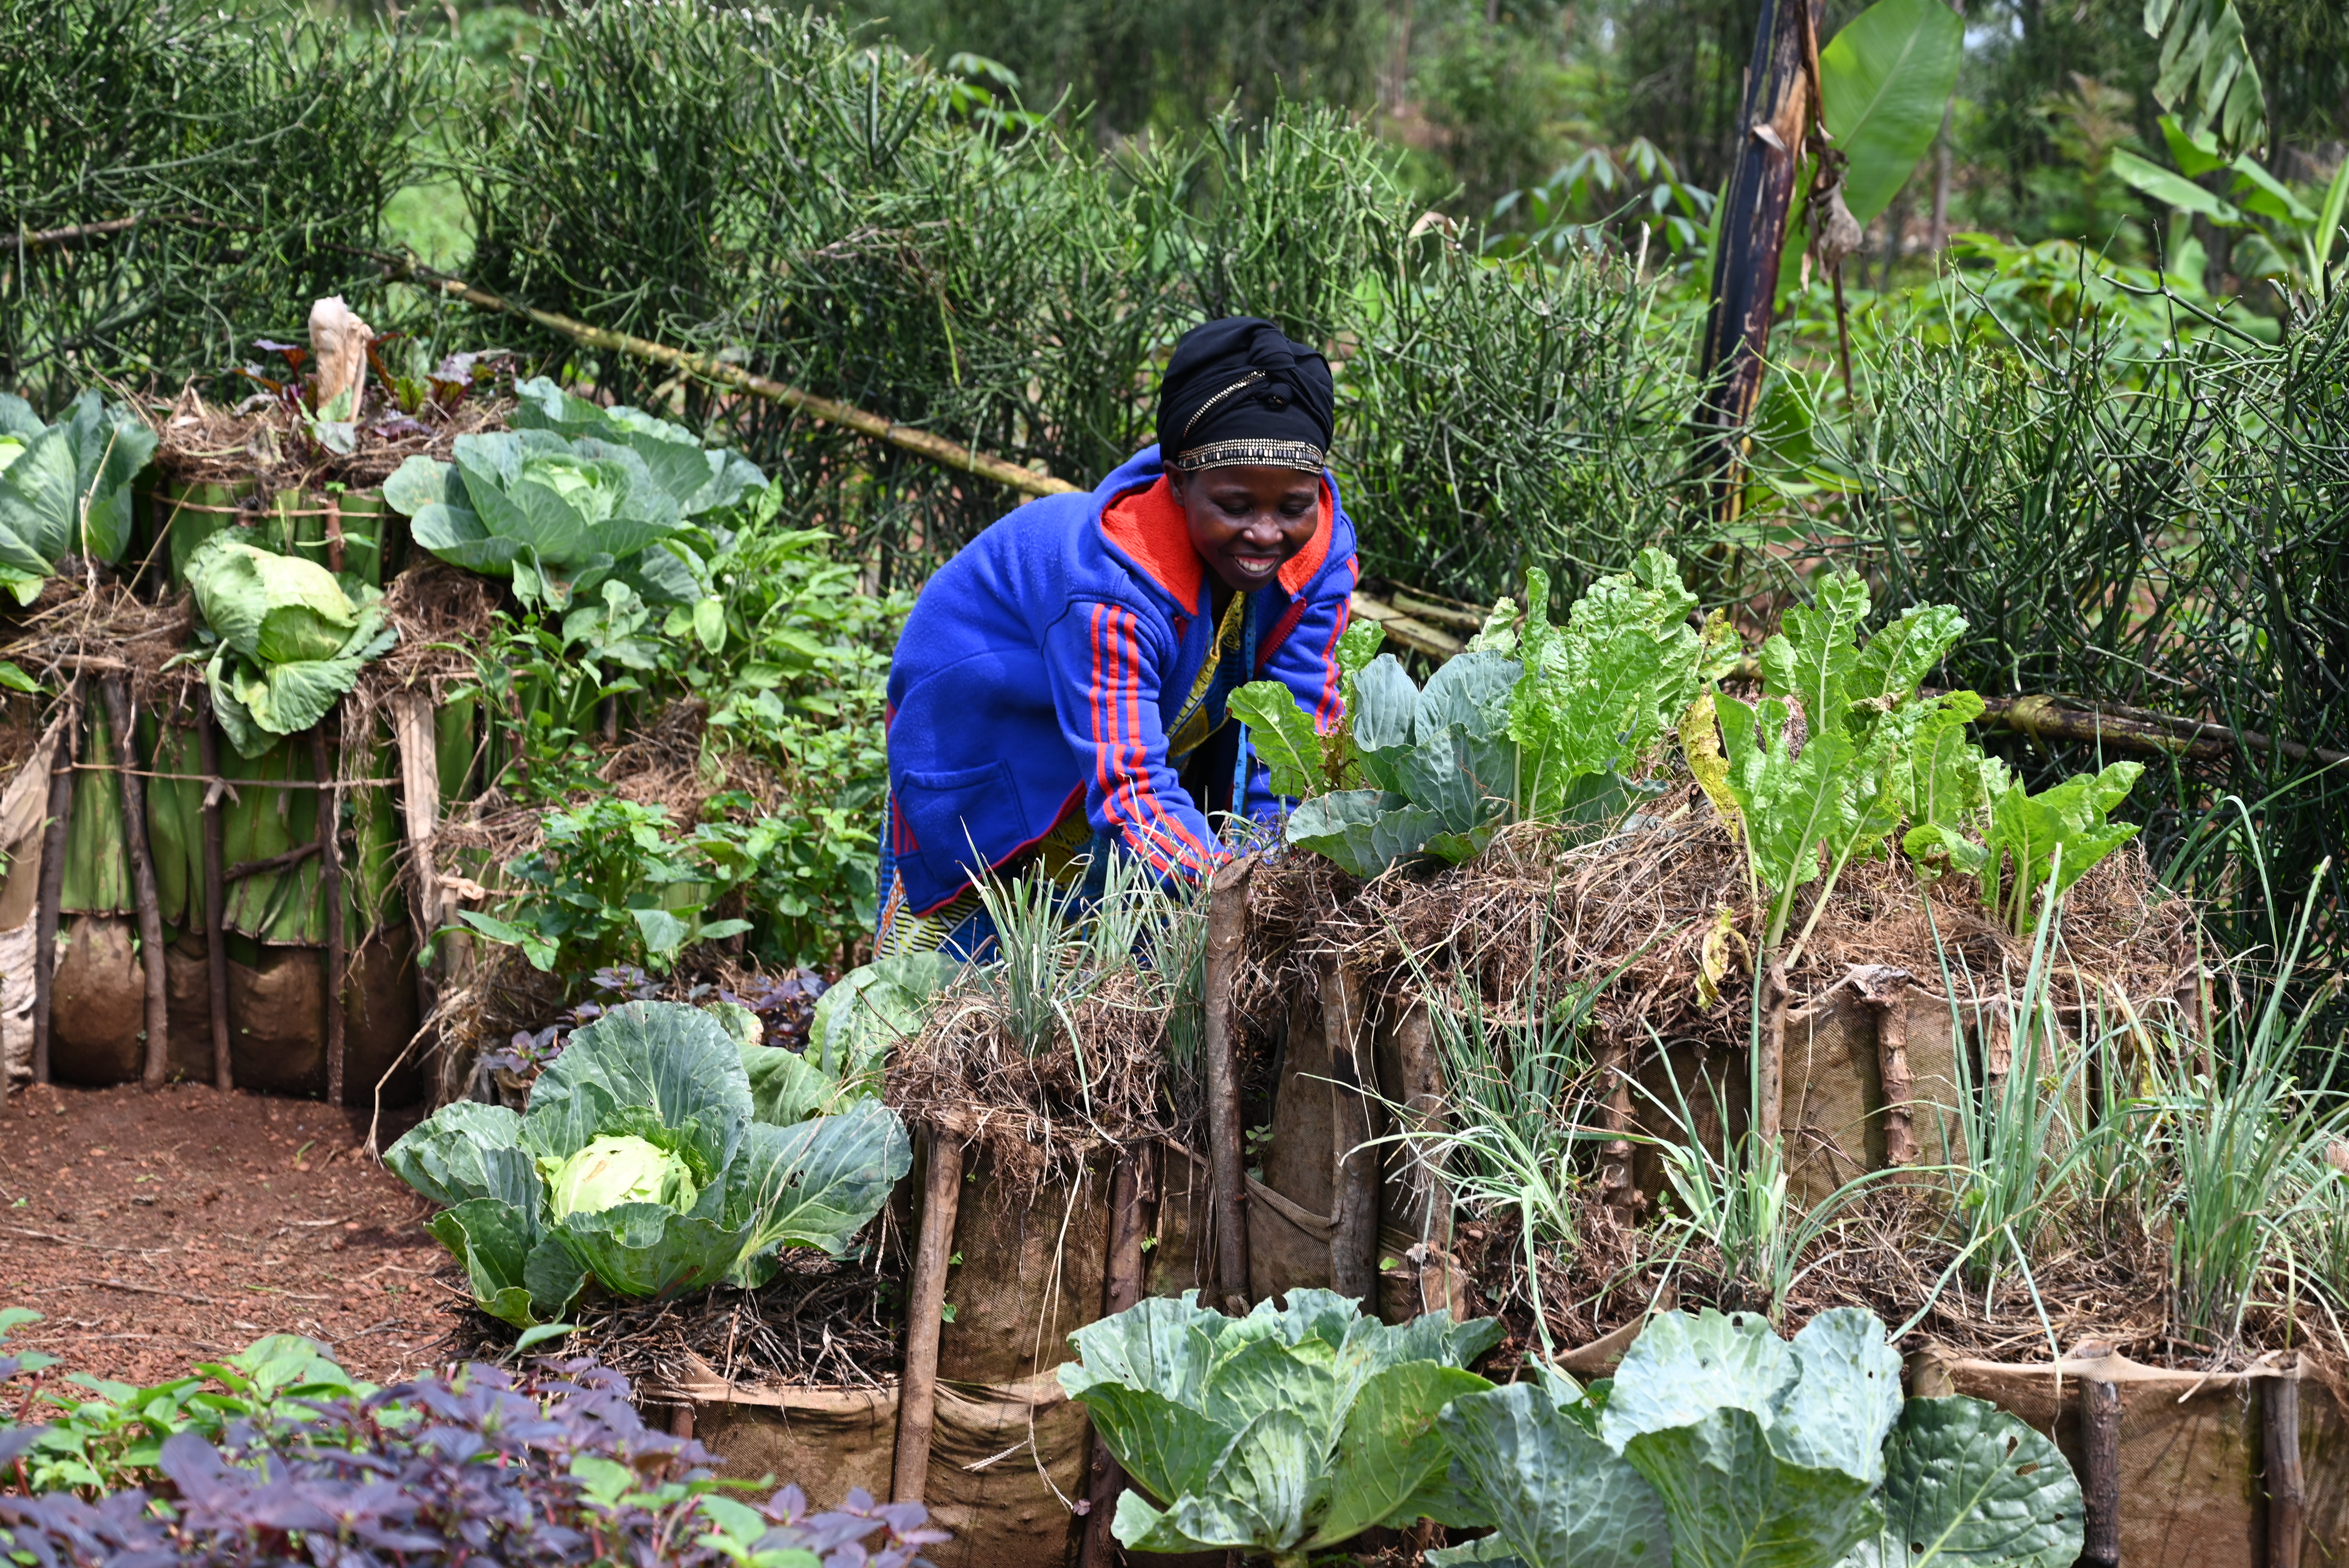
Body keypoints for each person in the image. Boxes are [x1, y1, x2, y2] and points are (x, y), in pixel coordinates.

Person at [876, 316, 1359, 957]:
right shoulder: (1111, 584)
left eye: (1292, 508)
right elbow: (1132, 789)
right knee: (940, 996)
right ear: (1181, 483)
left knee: (1124, 964)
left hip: (1128, 745)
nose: (1266, 533)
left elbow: (1298, 740)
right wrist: (1238, 893)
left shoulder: (1320, 558)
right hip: (984, 746)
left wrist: (1278, 873)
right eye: (1236, 506)